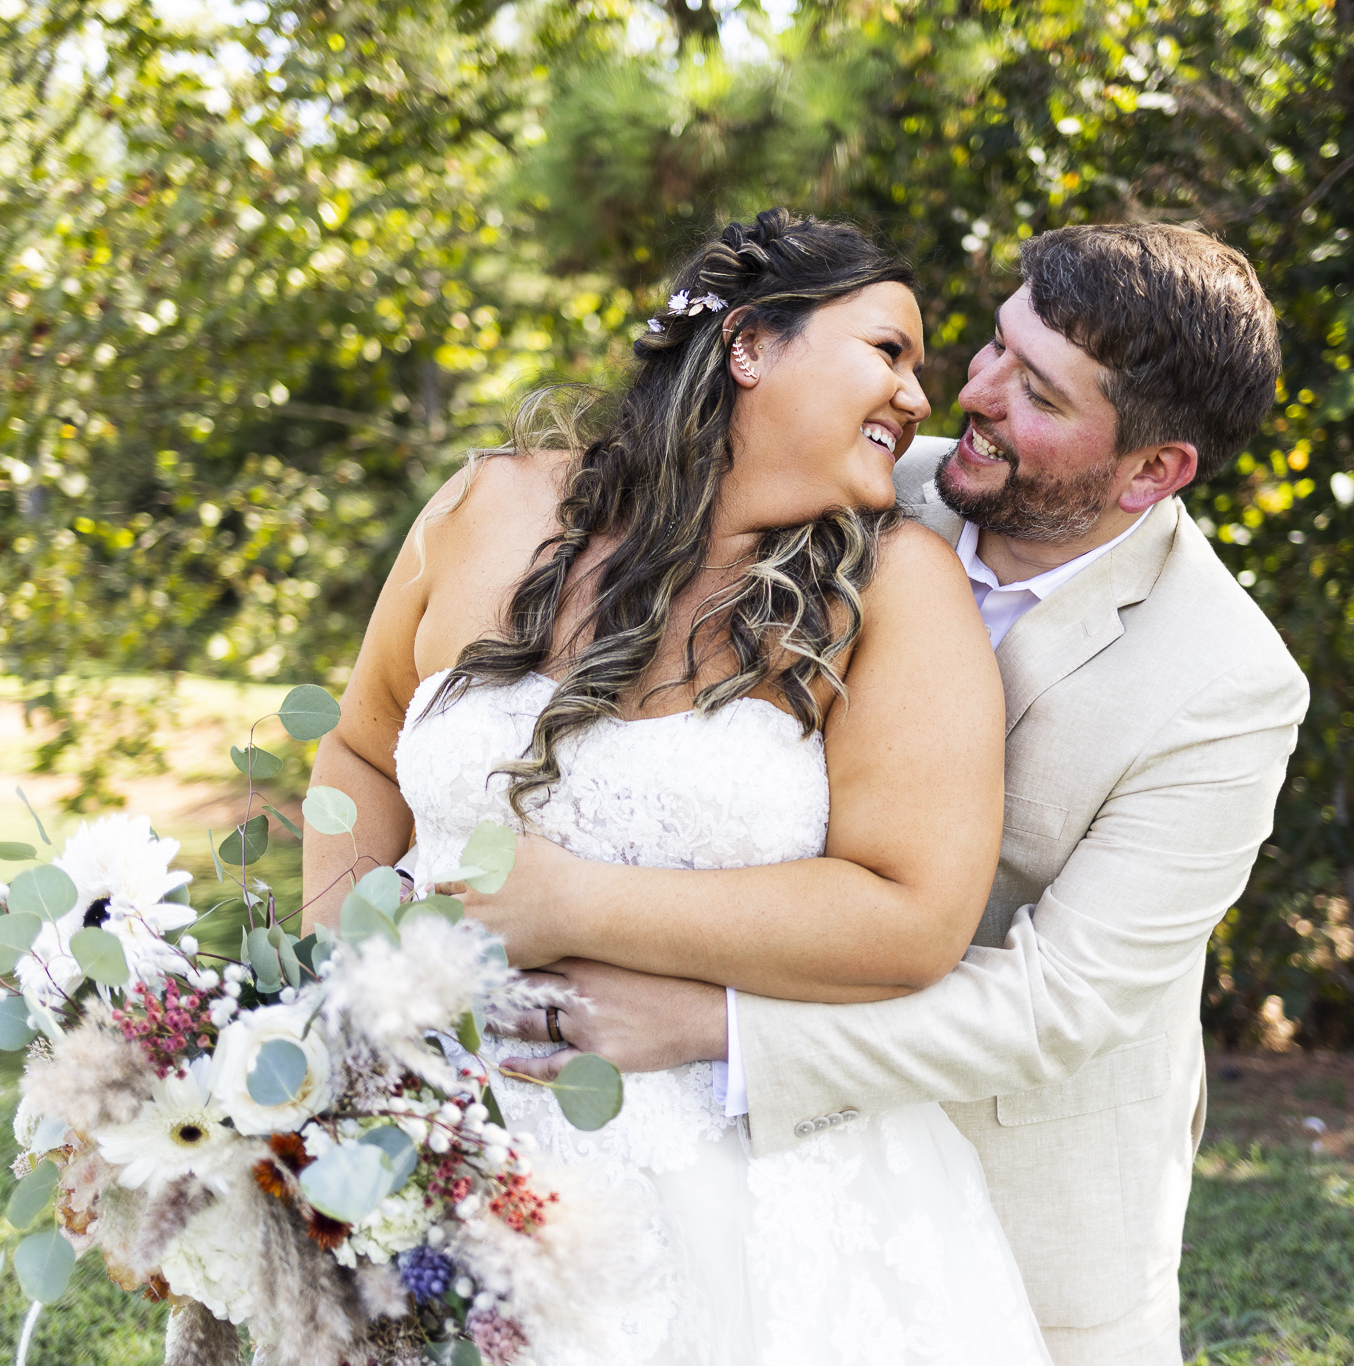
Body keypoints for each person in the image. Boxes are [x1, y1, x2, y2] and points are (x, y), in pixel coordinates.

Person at [462, 222, 1311, 1365]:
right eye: (997, 346)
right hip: (716, 1168)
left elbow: (1056, 1002)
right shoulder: (861, 482)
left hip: (1020, 1181)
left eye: (1039, 394)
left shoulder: (1225, 683)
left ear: (1151, 472)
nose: (974, 393)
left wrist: (717, 1031)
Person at [301, 209, 1053, 1364]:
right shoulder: (488, 505)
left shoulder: (894, 588)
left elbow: (916, 915)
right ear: (750, 345)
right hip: (441, 1131)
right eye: (888, 350)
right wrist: (339, 995)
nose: (918, 397)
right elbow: (357, 752)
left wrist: (574, 906)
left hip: (739, 1189)